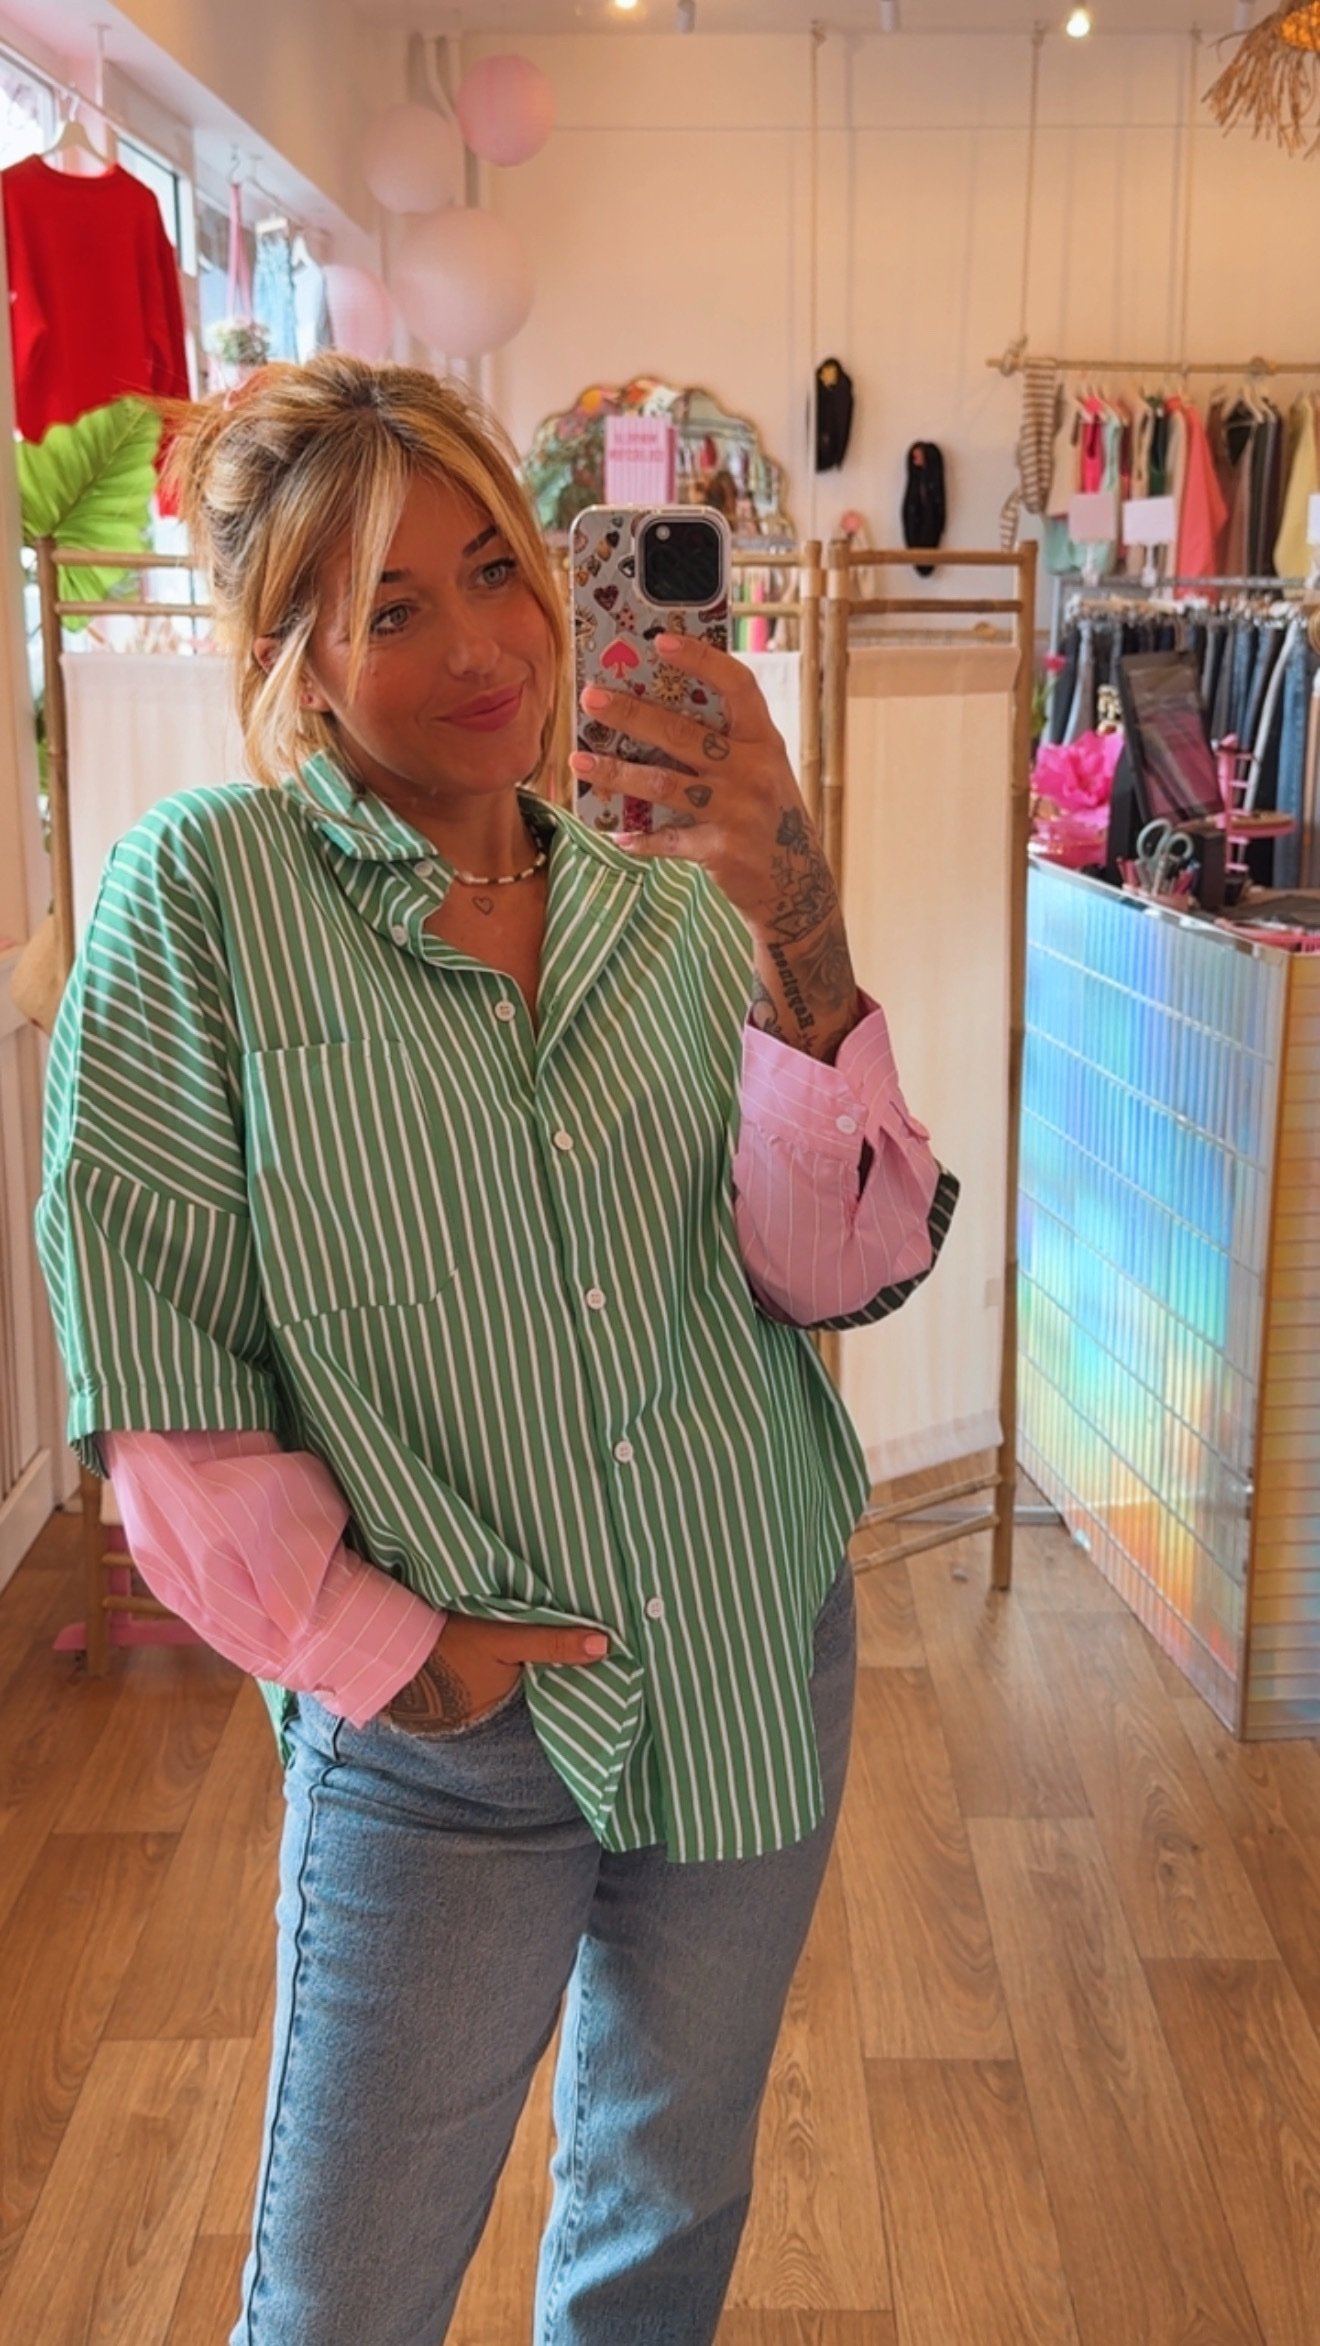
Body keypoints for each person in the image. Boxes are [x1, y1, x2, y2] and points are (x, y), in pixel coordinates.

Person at [36, 355, 957, 2346]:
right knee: (346, 2295)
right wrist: (394, 1655)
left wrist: (794, 905)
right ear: (292, 656)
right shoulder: (206, 898)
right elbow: (160, 1367)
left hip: (745, 1648)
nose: (483, 648)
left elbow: (839, 1266)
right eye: (390, 607)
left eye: (495, 572)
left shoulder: (678, 900)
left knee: (662, 2208)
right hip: (443, 1734)